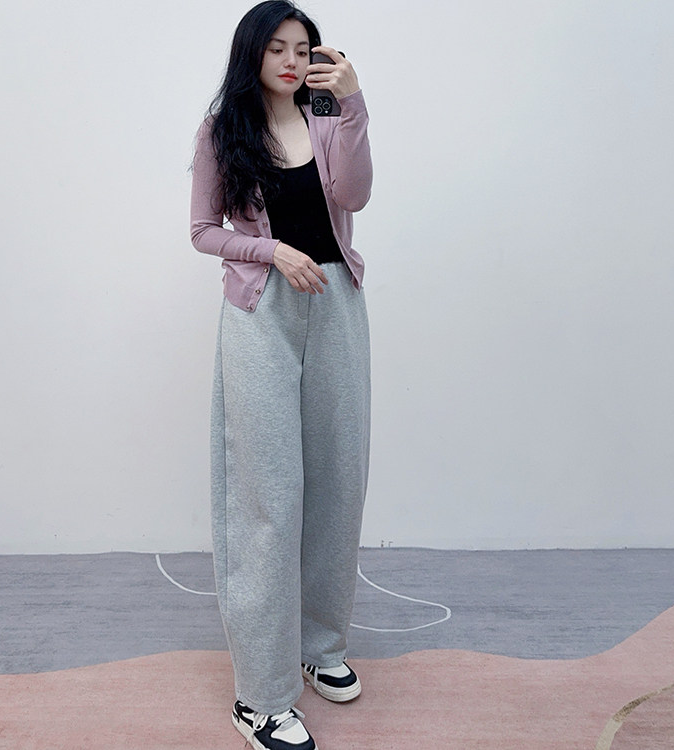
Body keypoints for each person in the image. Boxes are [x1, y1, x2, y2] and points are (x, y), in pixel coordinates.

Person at [190, 2, 373, 748]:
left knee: (337, 480)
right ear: (253, 56)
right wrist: (272, 252)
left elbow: (354, 196)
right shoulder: (222, 132)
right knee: (266, 496)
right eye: (277, 49)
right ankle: (260, 696)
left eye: (304, 48)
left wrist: (354, 104)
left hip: (336, 307)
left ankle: (319, 646)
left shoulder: (330, 117)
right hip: (260, 313)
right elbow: (203, 232)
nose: (292, 61)